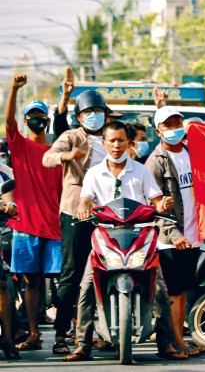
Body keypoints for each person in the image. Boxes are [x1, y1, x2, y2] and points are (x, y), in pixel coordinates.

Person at [63, 121, 186, 362]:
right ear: (104, 143)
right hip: (105, 235)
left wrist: (164, 205)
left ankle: (166, 344)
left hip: (140, 234)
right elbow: (85, 199)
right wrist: (83, 208)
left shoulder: (141, 171)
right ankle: (82, 345)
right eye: (112, 141)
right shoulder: (94, 173)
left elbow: (156, 200)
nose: (116, 145)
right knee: (87, 288)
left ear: (128, 143)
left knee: (159, 287)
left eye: (121, 140)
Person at [42, 89, 109, 354]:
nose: (94, 116)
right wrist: (65, 156)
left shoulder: (112, 138)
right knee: (71, 273)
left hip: (107, 214)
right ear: (79, 116)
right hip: (75, 212)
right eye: (88, 113)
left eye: (98, 111)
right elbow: (48, 157)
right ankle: (60, 334)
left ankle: (104, 331)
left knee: (107, 270)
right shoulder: (71, 137)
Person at [5, 74, 63, 353]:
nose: (37, 119)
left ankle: (67, 333)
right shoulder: (19, 146)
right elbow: (8, 123)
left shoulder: (57, 150)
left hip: (55, 225)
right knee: (31, 281)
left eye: (41, 115)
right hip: (26, 225)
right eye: (32, 115)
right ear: (25, 120)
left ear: (47, 120)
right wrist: (14, 90)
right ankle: (34, 333)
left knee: (63, 281)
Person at [145, 105, 204, 357]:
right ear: (159, 131)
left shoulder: (194, 154)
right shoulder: (155, 162)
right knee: (172, 292)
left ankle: (181, 340)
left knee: (182, 292)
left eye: (177, 123)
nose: (174, 129)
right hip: (171, 239)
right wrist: (174, 235)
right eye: (168, 125)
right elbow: (154, 206)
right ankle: (175, 341)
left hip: (194, 234)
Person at [0, 169, 18, 359]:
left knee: (2, 285)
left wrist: (9, 204)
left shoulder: (1, 175)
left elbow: (6, 194)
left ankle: (7, 337)